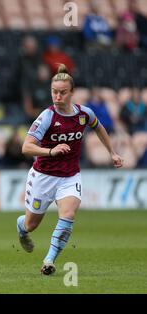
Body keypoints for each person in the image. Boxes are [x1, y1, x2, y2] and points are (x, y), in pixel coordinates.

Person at [17, 64, 123, 275]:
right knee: (31, 225)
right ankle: (21, 228)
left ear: (72, 93)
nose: (57, 97)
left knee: (68, 213)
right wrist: (51, 151)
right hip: (43, 176)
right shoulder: (47, 117)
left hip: (70, 176)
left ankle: (49, 260)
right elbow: (26, 147)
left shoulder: (84, 114)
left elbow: (99, 127)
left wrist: (112, 152)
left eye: (63, 93)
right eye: (54, 92)